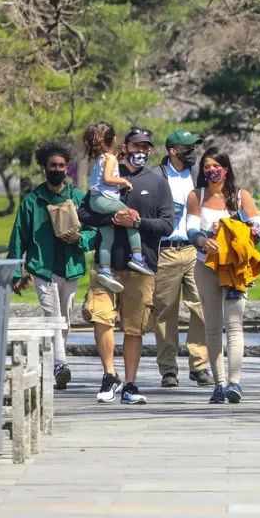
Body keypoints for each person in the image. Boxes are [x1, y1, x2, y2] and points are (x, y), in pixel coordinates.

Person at [80, 127, 174, 405]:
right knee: (100, 317)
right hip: (106, 264)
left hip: (141, 266)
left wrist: (136, 223)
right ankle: (109, 376)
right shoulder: (108, 171)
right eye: (136, 146)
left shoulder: (157, 182)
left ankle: (130, 384)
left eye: (146, 147)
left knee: (134, 327)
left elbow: (167, 225)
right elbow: (85, 211)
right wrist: (113, 218)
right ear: (126, 147)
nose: (141, 152)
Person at [6, 142, 97, 390]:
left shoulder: (78, 197)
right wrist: (16, 272)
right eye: (52, 166)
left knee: (64, 318)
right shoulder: (32, 201)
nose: (57, 169)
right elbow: (18, 236)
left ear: (67, 167)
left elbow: (94, 230)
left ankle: (58, 362)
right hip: (43, 267)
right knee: (52, 316)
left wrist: (81, 239)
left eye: (61, 166)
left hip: (70, 266)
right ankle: (61, 364)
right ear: (44, 168)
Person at [186, 147, 260, 405]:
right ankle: (219, 383)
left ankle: (235, 382)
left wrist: (238, 224)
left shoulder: (241, 196)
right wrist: (203, 238)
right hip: (206, 265)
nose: (211, 171)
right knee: (211, 326)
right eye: (206, 166)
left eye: (215, 166)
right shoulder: (196, 196)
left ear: (226, 169)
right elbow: (189, 228)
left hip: (235, 269)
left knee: (234, 325)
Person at [154, 129, 211, 388]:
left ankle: (199, 364)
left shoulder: (197, 176)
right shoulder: (157, 177)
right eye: (188, 148)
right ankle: (168, 368)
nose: (193, 153)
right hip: (165, 250)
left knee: (201, 306)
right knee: (166, 310)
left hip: (193, 249)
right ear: (173, 151)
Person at [83, 121, 153, 292]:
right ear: (114, 139)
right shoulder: (111, 158)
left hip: (95, 200)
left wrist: (119, 159)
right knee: (131, 219)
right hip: (105, 199)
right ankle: (137, 256)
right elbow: (108, 178)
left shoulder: (101, 159)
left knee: (107, 237)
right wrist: (124, 181)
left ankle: (105, 270)